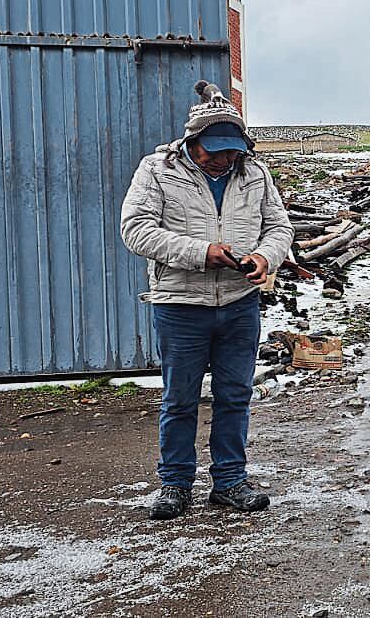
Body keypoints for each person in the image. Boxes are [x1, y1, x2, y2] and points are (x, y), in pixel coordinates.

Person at [120, 80, 293, 520]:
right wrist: (201, 254)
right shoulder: (158, 170)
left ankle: (230, 481)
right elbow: (135, 229)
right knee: (180, 398)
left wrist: (263, 258)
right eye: (215, 150)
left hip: (239, 304)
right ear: (192, 143)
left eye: (232, 149)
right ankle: (175, 484)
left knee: (235, 395)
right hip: (181, 305)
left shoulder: (254, 173)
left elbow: (279, 228)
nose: (224, 159)